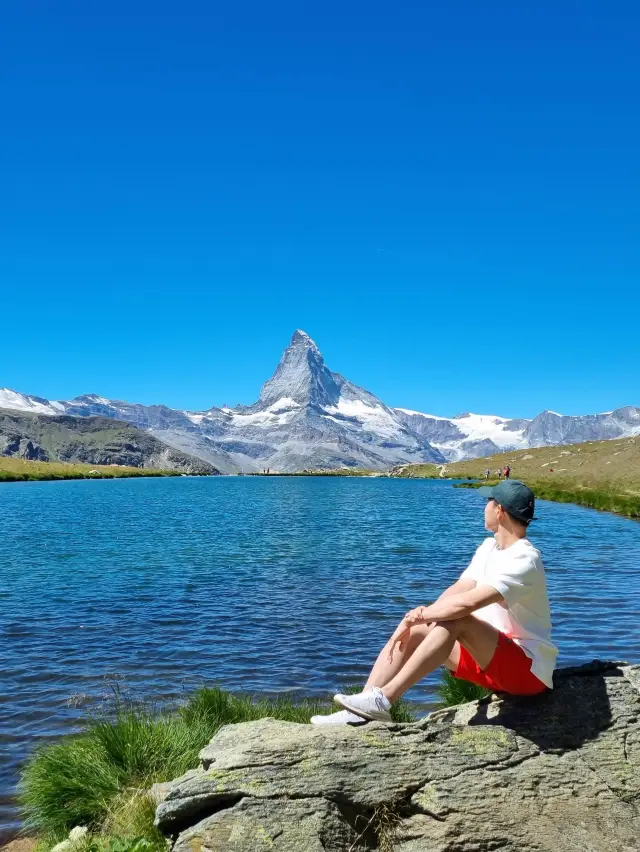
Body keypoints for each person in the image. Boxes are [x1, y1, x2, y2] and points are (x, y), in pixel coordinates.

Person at [311, 480, 557, 725]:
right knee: (419, 627)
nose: (484, 507)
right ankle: (359, 711)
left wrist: (423, 616)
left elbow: (466, 605)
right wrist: (416, 619)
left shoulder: (525, 558)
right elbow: (459, 589)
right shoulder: (489, 547)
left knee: (457, 620)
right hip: (490, 662)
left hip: (527, 673)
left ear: (499, 511)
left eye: (488, 502)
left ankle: (383, 701)